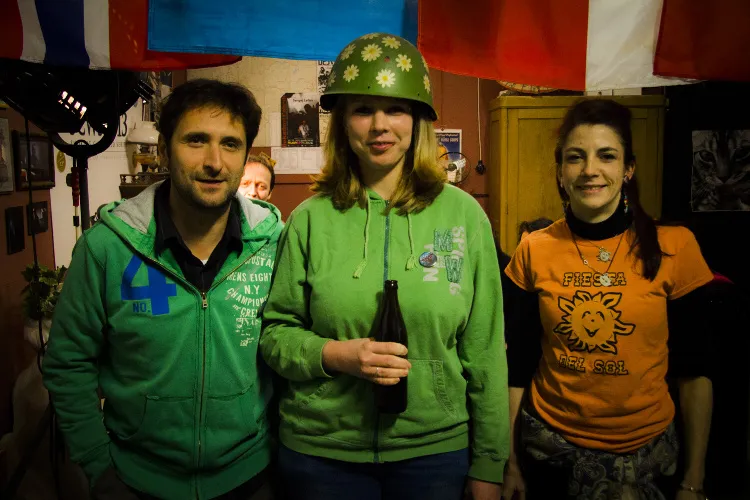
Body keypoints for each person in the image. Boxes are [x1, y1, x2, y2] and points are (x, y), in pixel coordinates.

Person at [260, 33, 509, 500]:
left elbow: (486, 350)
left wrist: (490, 464)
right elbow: (275, 335)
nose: (379, 125)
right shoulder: (309, 219)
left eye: (395, 109)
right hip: (321, 454)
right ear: (342, 123)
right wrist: (337, 355)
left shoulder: (464, 217)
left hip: (434, 456)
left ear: (417, 120)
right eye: (362, 109)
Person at [43, 79, 284, 500]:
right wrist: (98, 466)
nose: (214, 162)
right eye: (196, 140)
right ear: (164, 147)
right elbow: (68, 364)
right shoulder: (107, 248)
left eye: (230, 144)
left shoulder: (273, 244)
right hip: (137, 481)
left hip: (250, 476)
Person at [502, 99, 714, 500]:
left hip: (649, 460)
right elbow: (516, 369)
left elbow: (695, 372)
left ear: (628, 168)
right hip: (549, 455)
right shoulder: (534, 249)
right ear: (560, 172)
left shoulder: (676, 247)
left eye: (607, 156)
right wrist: (510, 463)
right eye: (575, 157)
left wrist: (694, 479)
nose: (590, 170)